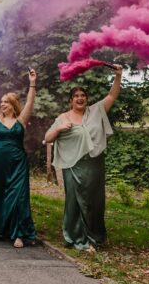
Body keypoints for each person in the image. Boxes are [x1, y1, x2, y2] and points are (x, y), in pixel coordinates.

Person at [44, 65, 123, 253]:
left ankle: (95, 236)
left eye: (83, 96)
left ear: (86, 99)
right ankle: (77, 238)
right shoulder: (64, 117)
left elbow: (112, 96)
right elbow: (48, 138)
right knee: (75, 201)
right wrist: (59, 129)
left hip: (95, 165)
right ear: (71, 101)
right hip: (73, 166)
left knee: (95, 202)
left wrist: (118, 76)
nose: (80, 98)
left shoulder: (96, 111)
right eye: (76, 96)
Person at [0, 69, 38, 248]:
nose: (2, 104)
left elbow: (30, 101)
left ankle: (19, 234)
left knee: (19, 197)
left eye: (6, 102)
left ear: (13, 104)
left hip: (18, 163)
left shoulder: (21, 120)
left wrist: (32, 82)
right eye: (1, 102)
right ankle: (1, 228)